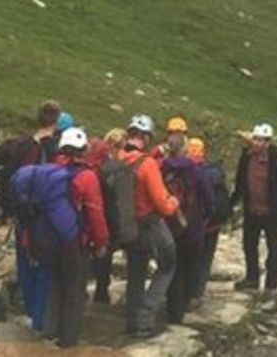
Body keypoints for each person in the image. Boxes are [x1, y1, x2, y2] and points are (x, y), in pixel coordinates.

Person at [38, 128, 109, 347]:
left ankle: (49, 331)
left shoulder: (47, 171)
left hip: (48, 240)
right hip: (75, 243)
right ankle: (68, 341)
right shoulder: (87, 176)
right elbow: (95, 212)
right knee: (74, 291)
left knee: (55, 284)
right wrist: (101, 242)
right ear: (83, 150)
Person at [2, 100, 62, 334]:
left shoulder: (26, 143)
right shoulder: (50, 146)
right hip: (40, 216)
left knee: (25, 261)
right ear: (56, 120)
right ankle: (39, 319)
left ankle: (28, 310)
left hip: (20, 213)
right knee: (43, 266)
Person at [121, 114, 179, 338]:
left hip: (127, 225)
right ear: (145, 137)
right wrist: (174, 202)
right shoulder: (147, 165)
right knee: (167, 264)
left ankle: (131, 321)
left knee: (136, 270)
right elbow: (163, 205)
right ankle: (145, 317)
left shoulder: (117, 157)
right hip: (150, 224)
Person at [230, 123, 277, 304]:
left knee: (273, 251)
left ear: (268, 142)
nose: (257, 143)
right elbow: (240, 181)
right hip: (252, 209)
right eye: (255, 139)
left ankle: (271, 287)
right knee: (249, 245)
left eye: (261, 140)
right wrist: (231, 204)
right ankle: (252, 278)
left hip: (272, 213)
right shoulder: (247, 156)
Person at [162, 134, 213, 324]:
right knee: (190, 265)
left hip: (168, 224)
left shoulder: (161, 167)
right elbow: (209, 198)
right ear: (184, 149)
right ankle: (184, 305)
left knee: (172, 266)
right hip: (192, 226)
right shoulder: (196, 170)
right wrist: (205, 217)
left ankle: (172, 309)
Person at [189, 138, 231, 308]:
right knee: (206, 258)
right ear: (203, 153)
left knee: (191, 259)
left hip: (195, 226)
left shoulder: (189, 172)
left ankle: (188, 293)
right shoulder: (214, 172)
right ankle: (198, 293)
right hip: (214, 224)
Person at [89, 128, 129, 304]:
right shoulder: (113, 167)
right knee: (105, 253)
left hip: (91, 211)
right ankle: (101, 290)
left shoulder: (94, 162)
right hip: (108, 215)